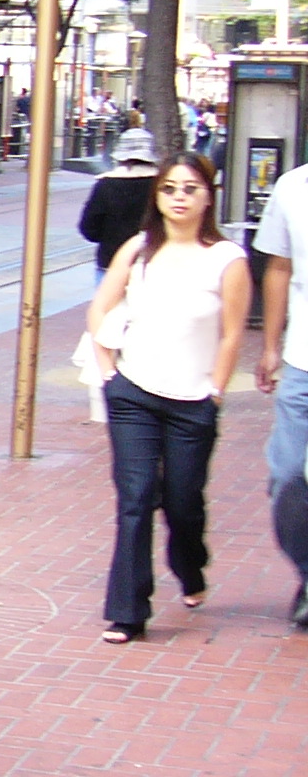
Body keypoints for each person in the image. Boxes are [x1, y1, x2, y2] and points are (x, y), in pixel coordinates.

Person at [87, 152, 249, 643]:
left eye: (190, 189)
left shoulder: (227, 259)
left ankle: (190, 568)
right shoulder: (138, 249)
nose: (180, 198)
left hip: (192, 402)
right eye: (170, 188)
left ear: (208, 198)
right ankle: (128, 612)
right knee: (135, 498)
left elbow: (232, 334)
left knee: (183, 502)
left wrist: (215, 391)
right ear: (157, 196)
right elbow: (100, 310)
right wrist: (109, 374)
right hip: (133, 395)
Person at [251, 152, 308, 631]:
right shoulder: (292, 187)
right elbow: (278, 269)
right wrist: (271, 346)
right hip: (303, 361)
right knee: (287, 479)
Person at [78, 130, 160, 274]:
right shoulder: (161, 185)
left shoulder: (105, 185)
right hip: (153, 264)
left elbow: (89, 229)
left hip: (111, 263)